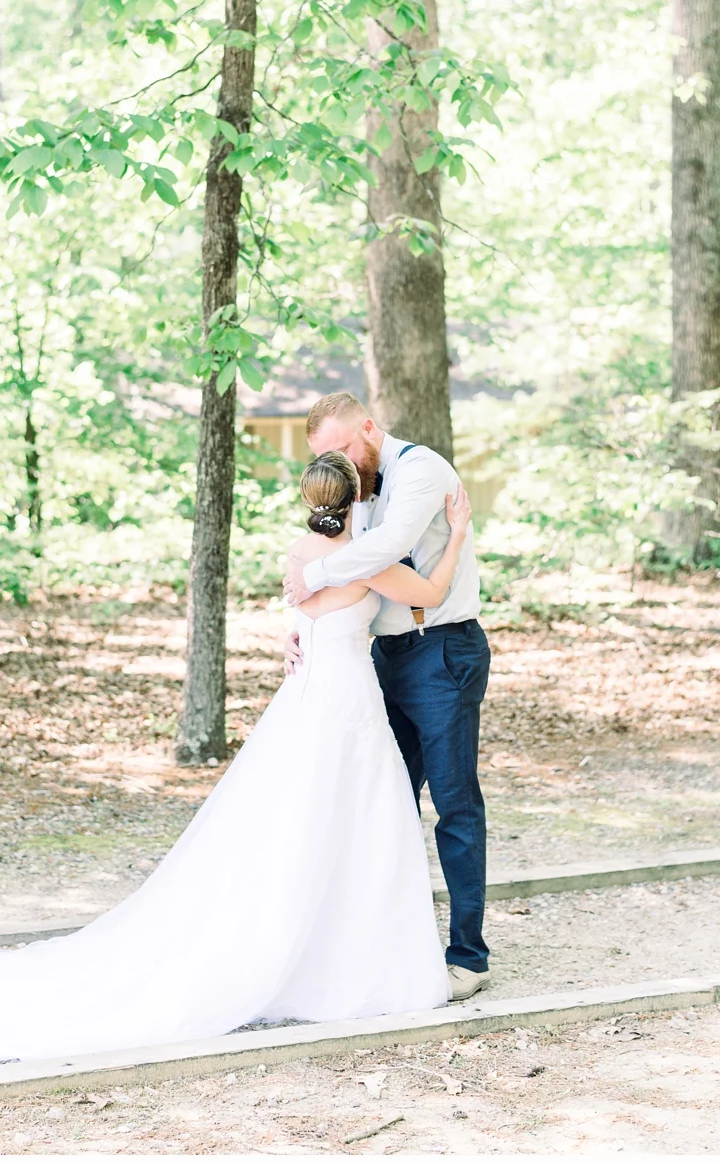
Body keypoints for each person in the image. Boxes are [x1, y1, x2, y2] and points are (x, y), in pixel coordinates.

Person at [0, 453, 472, 1063]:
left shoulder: (299, 556)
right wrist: (457, 533)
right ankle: (341, 964)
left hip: (305, 701)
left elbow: (310, 618)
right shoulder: (369, 561)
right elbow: (432, 594)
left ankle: (305, 953)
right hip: (348, 700)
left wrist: (300, 633)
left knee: (295, 826)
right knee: (354, 825)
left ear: (309, 499)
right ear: (356, 497)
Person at [283, 392, 491, 1001]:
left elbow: (388, 546)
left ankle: (468, 958)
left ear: (370, 428)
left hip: (441, 652)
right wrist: (307, 624)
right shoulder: (358, 490)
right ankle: (379, 949)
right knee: (381, 804)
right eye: (328, 458)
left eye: (345, 449)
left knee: (454, 806)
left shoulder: (420, 470)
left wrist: (313, 579)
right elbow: (345, 559)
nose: (342, 465)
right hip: (382, 659)